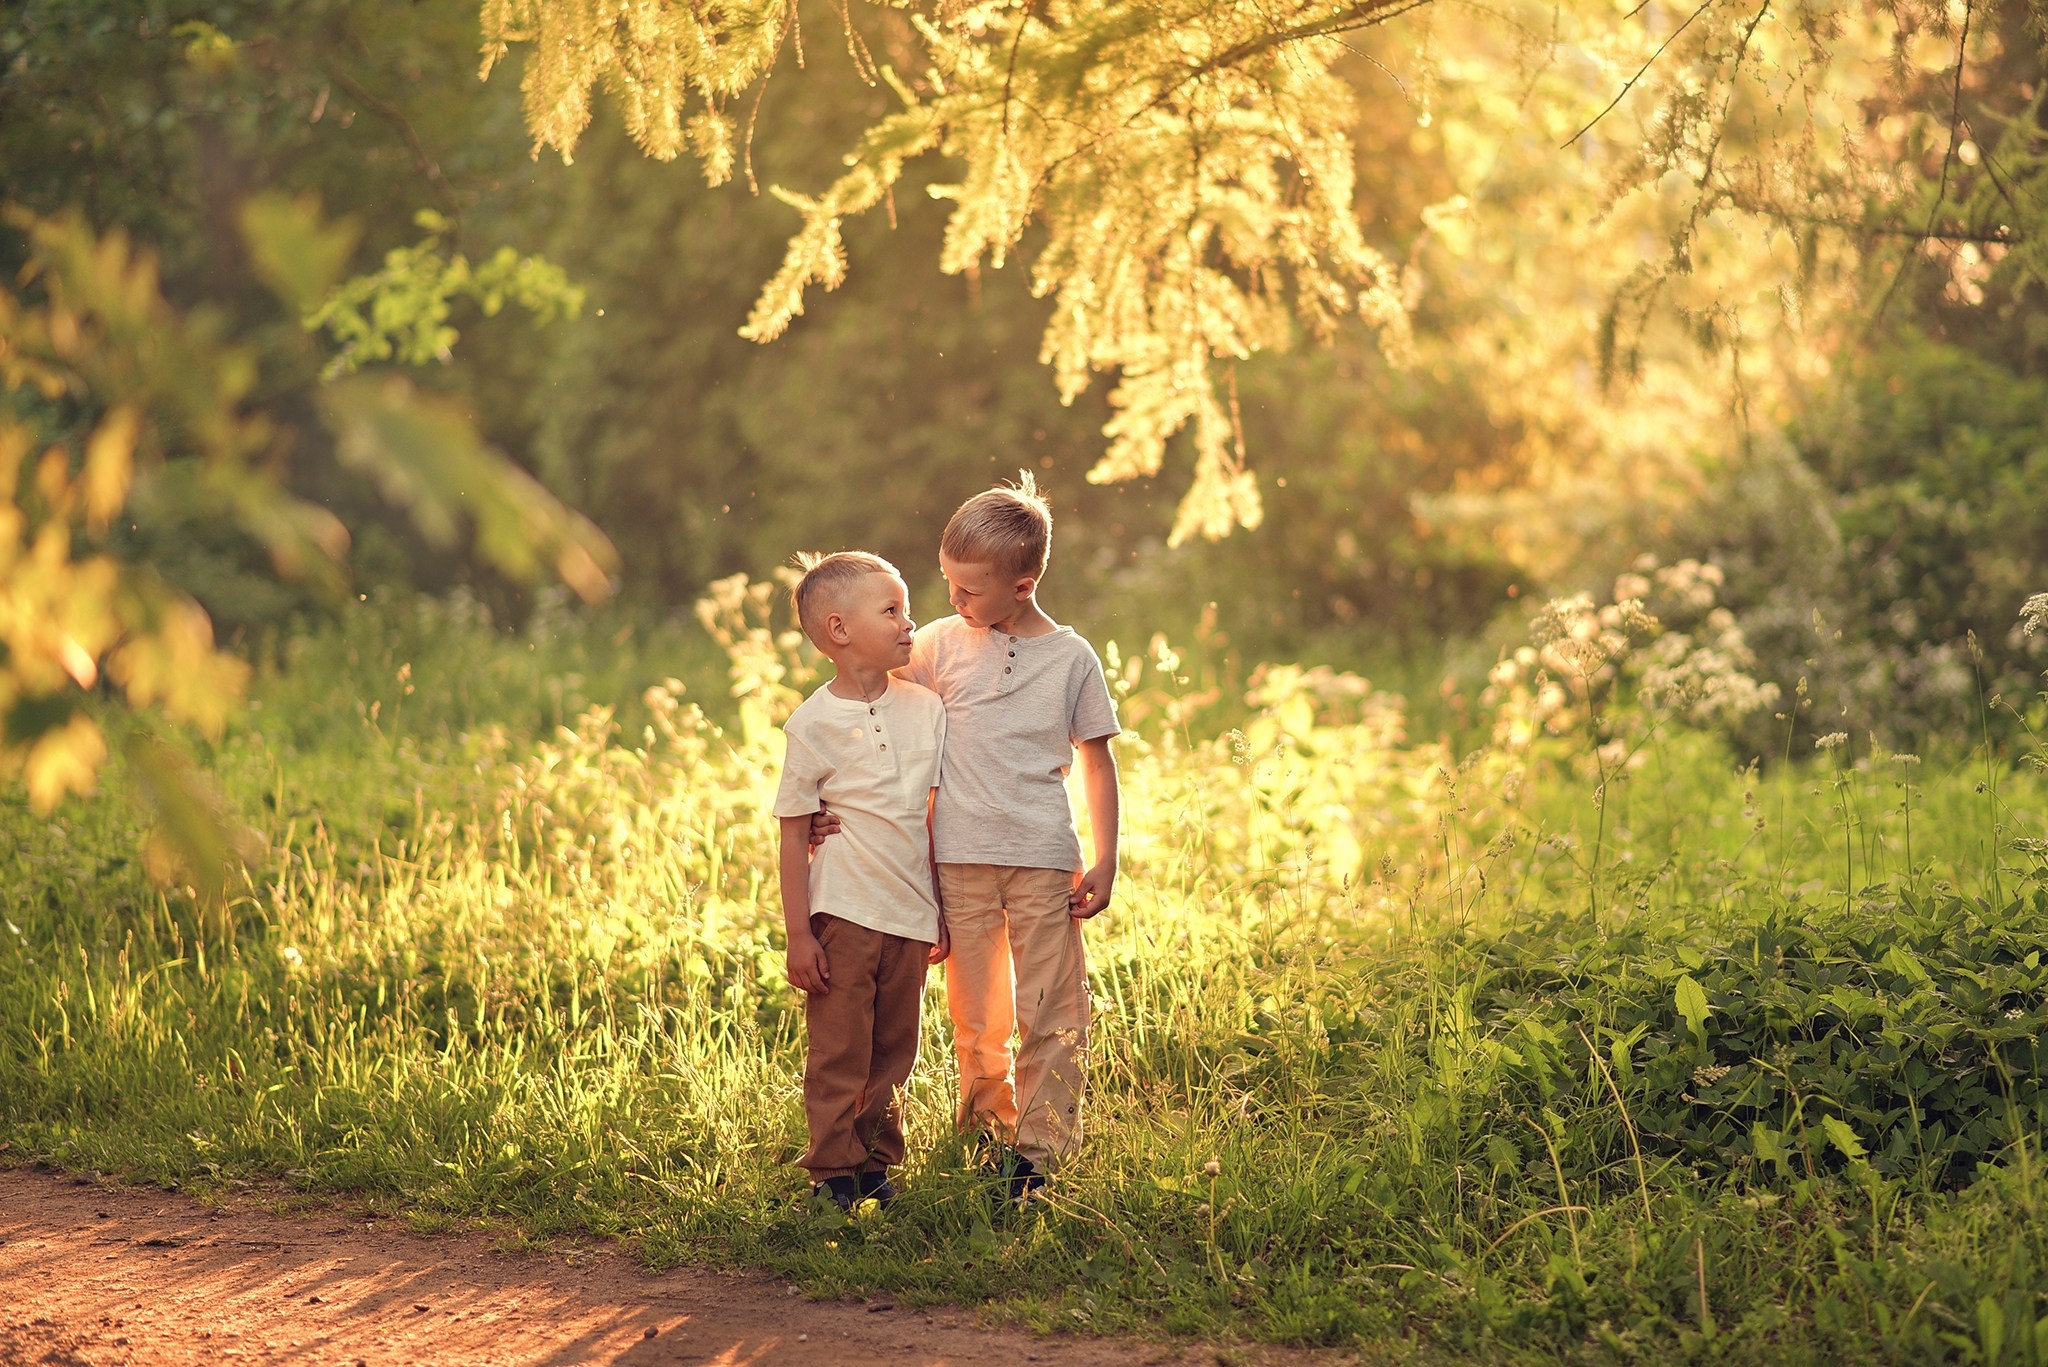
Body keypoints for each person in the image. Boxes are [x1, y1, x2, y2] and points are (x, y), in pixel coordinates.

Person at [816, 474, 1120, 1200]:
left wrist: (1108, 857)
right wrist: (827, 801)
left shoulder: (1073, 659)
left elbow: (1097, 760)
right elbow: (876, 708)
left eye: (969, 589)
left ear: (1024, 583)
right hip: (954, 860)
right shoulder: (944, 646)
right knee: (975, 1013)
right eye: (947, 584)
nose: (952, 602)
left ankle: (1040, 1155)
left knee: (1050, 1008)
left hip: (1044, 859)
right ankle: (986, 1133)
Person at [773, 550, 949, 1211]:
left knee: (895, 1050)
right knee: (840, 1048)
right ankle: (832, 1174)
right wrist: (799, 932)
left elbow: (937, 814)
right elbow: (794, 830)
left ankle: (878, 1166)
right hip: (844, 912)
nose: (910, 623)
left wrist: (942, 906)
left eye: (906, 608)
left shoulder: (927, 709)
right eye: (893, 610)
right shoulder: (812, 722)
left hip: (910, 912)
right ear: (840, 630)